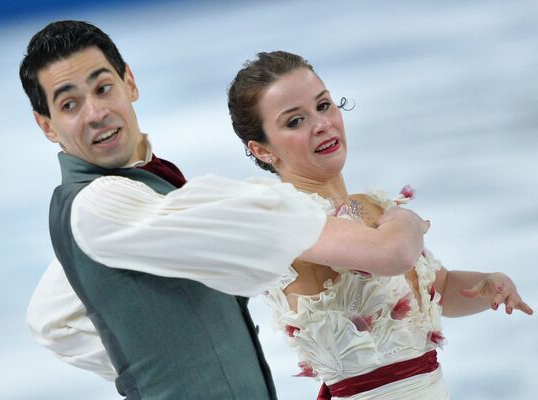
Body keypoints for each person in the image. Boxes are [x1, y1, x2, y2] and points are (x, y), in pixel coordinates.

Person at [21, 21, 430, 400]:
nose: (95, 113)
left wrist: (159, 351)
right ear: (48, 126)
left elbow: (51, 319)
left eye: (102, 88)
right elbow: (386, 254)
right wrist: (402, 221)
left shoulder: (129, 199)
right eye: (70, 104)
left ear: (129, 82)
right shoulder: (100, 205)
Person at [226, 51, 534, 399]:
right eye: (295, 121)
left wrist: (486, 286)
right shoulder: (285, 218)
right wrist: (407, 220)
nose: (322, 124)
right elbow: (396, 253)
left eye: (324, 105)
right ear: (263, 150)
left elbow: (439, 289)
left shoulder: (373, 207)